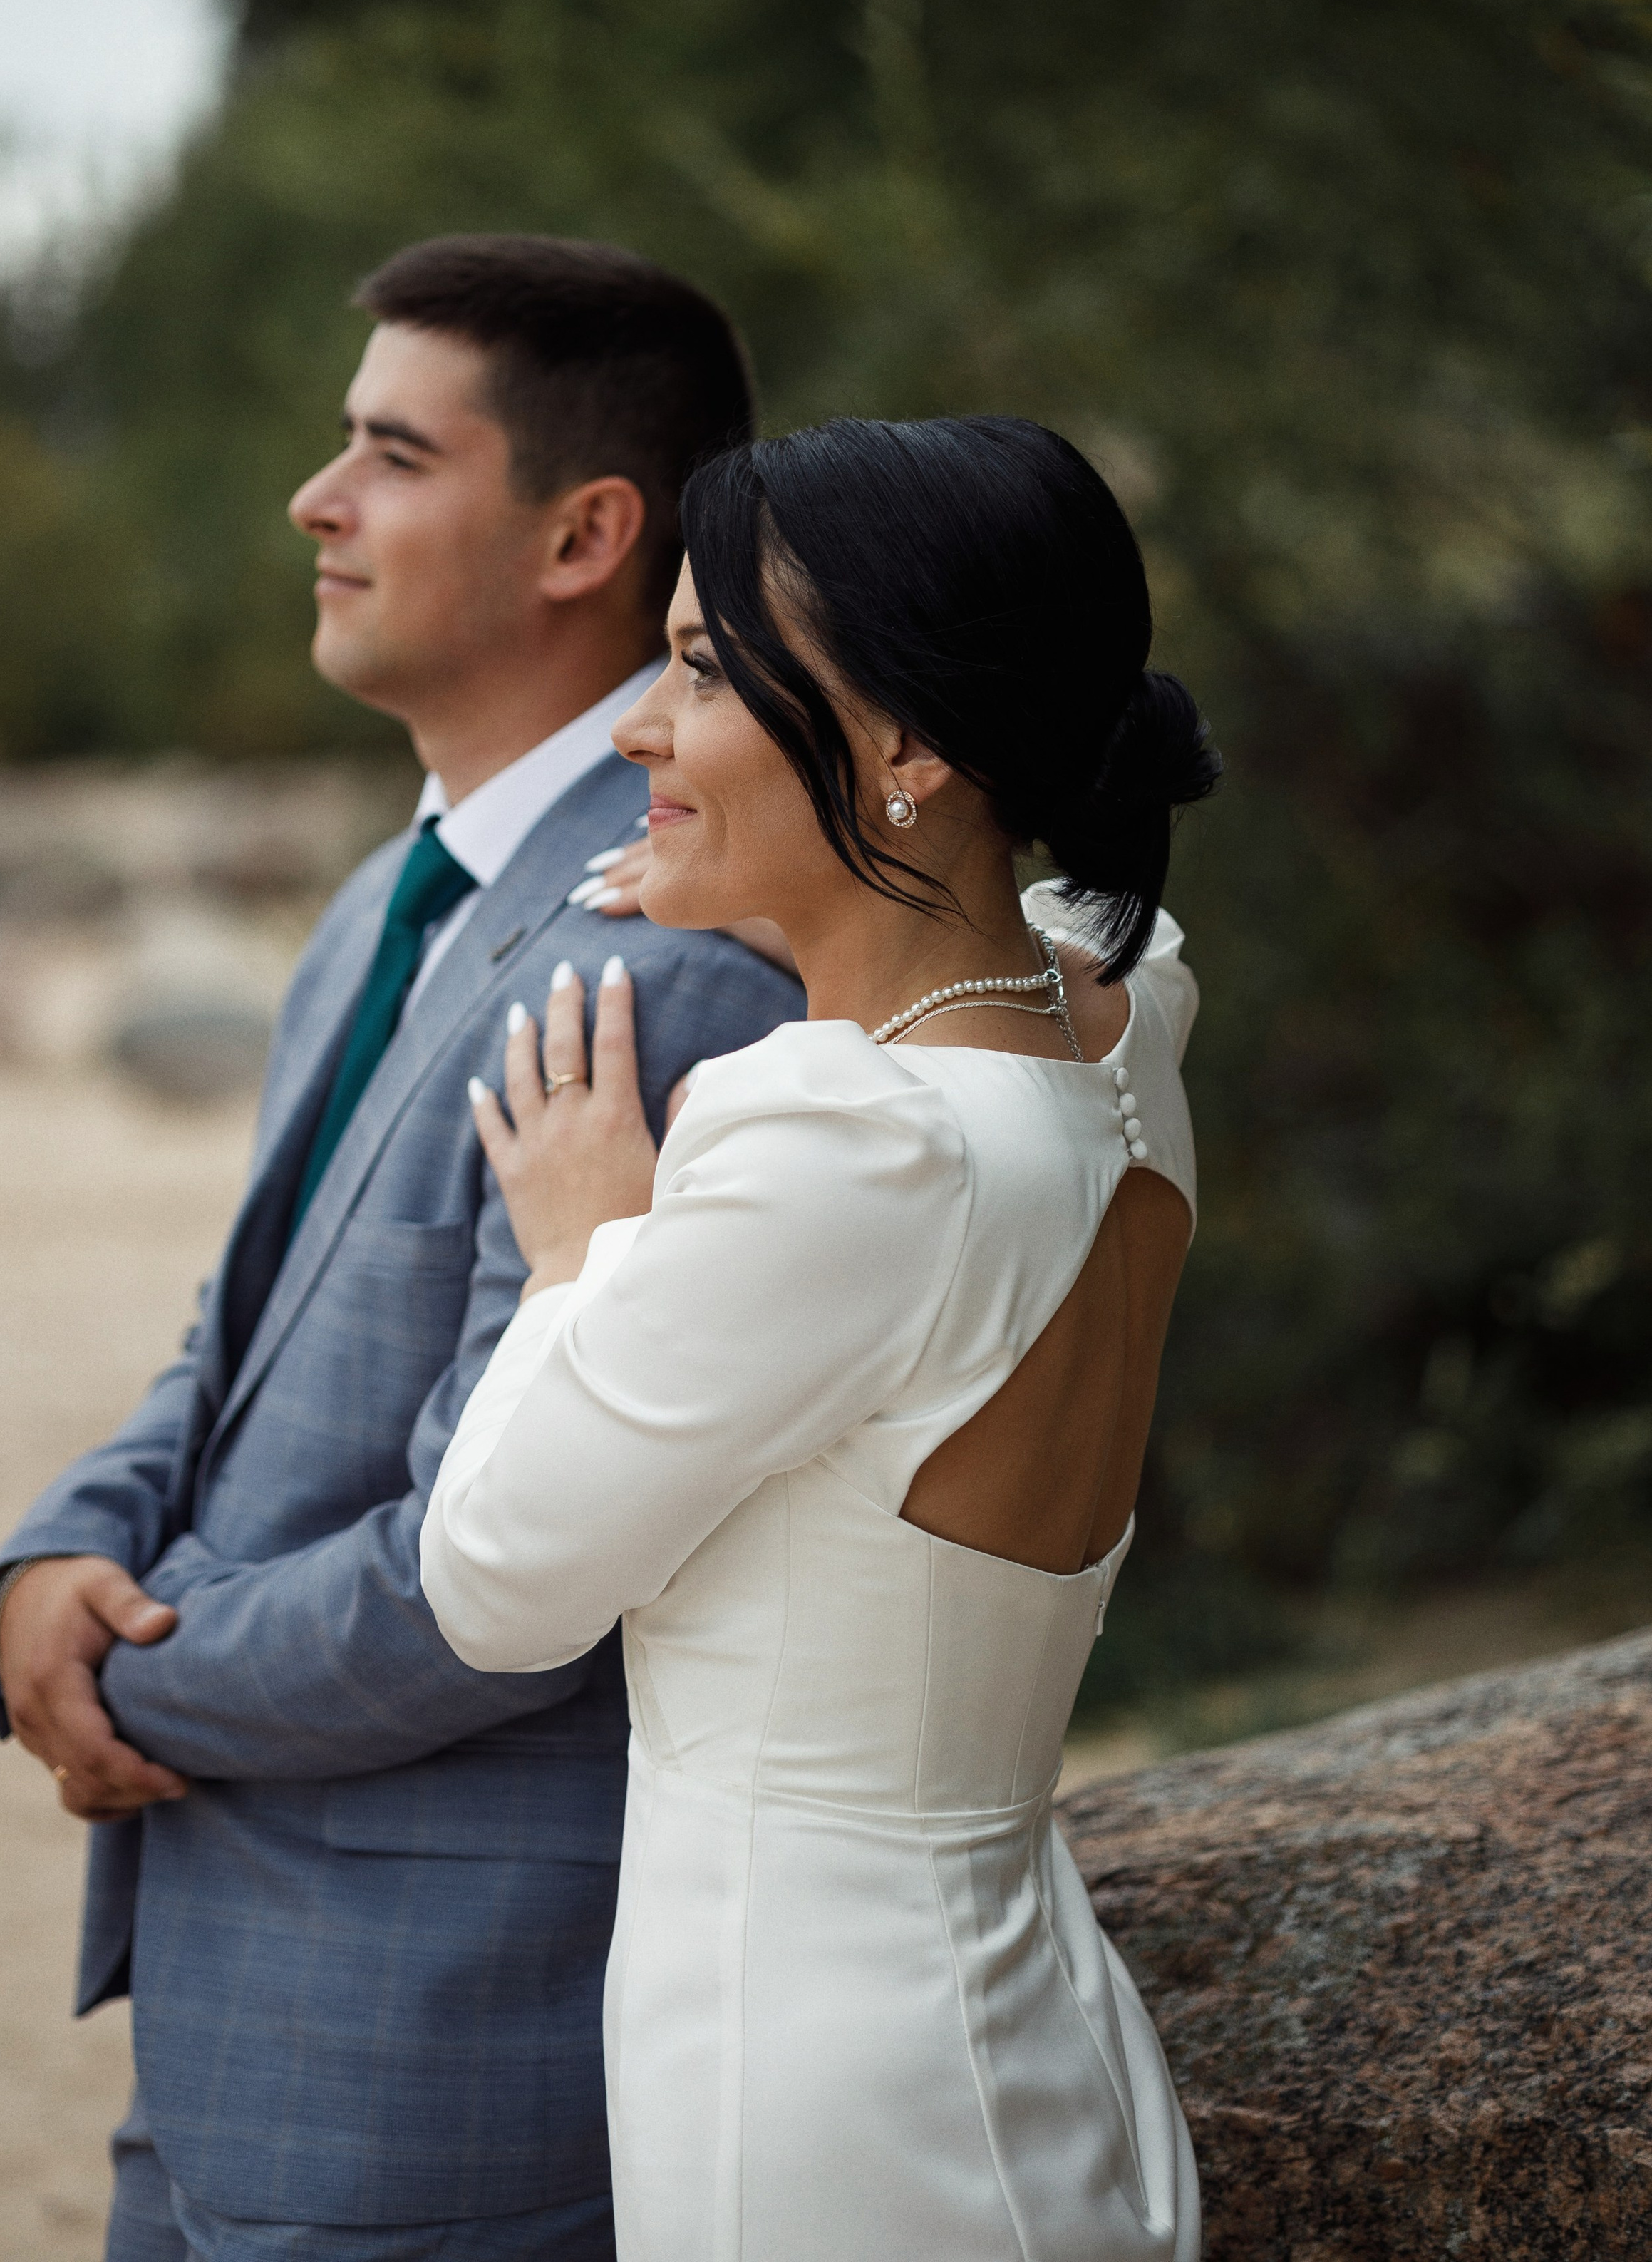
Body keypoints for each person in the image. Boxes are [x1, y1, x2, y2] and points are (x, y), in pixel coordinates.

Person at [0, 236, 802, 2262]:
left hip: (432, 2058)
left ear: (586, 532)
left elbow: (515, 1549)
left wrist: (135, 1686)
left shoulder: (669, 961)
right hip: (224, 2023)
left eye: (391, 454)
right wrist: (53, 1562)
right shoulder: (384, 895)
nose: (313, 502)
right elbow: (242, 1338)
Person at [421, 413, 1220, 2262]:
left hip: (814, 2100)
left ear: (916, 749)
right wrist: (795, 883)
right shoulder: (1119, 1048)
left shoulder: (845, 1141)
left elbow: (491, 1581)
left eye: (699, 675)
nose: (636, 729)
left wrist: (580, 1249)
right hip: (1034, 2037)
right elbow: (1062, 936)